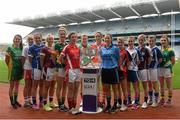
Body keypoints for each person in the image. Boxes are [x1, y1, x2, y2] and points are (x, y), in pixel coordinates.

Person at [60, 32, 82, 115]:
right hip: (71, 70)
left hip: (78, 70)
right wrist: (66, 66)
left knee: (76, 89)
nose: (74, 38)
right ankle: (70, 108)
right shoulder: (67, 47)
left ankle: (74, 107)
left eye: (75, 37)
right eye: (72, 37)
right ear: (69, 38)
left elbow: (80, 58)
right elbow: (60, 58)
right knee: (71, 89)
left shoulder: (78, 47)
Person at [100, 34, 120, 113]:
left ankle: (115, 105)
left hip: (113, 69)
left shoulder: (115, 48)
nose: (107, 39)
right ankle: (108, 105)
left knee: (115, 89)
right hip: (104, 69)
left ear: (111, 39)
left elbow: (118, 59)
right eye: (105, 38)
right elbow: (101, 58)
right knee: (107, 88)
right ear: (104, 40)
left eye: (108, 38)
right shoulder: (102, 49)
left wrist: (116, 67)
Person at [40, 34, 58, 111]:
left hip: (54, 69)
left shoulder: (54, 47)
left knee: (53, 86)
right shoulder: (44, 48)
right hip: (47, 69)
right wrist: (42, 69)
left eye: (52, 39)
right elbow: (41, 59)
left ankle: (51, 102)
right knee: (46, 86)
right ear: (47, 40)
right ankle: (45, 104)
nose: (51, 40)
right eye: (49, 39)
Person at [5, 34, 23, 109]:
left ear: (20, 40)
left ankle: (15, 101)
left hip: (19, 69)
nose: (17, 40)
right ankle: (12, 102)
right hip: (13, 70)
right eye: (16, 39)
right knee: (12, 86)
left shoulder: (21, 49)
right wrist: (10, 67)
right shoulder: (10, 48)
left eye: (18, 39)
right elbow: (6, 59)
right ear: (13, 40)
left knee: (17, 86)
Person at [28, 33, 44, 110]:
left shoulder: (44, 46)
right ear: (34, 39)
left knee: (42, 86)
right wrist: (34, 66)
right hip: (36, 68)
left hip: (43, 69)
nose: (38, 39)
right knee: (35, 86)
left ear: (41, 38)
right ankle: (34, 103)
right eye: (36, 38)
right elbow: (30, 59)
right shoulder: (31, 47)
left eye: (39, 38)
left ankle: (41, 101)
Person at [158, 35, 175, 106]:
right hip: (160, 69)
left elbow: (173, 61)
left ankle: (169, 100)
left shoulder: (170, 50)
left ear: (168, 41)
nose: (163, 41)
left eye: (164, 40)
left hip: (167, 69)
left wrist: (168, 67)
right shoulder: (159, 50)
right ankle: (162, 98)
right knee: (161, 85)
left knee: (169, 86)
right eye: (161, 40)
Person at [91, 32, 106, 108]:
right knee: (96, 84)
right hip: (95, 67)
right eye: (96, 36)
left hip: (104, 66)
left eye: (99, 36)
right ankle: (96, 100)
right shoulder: (92, 46)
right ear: (95, 37)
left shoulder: (105, 45)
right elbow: (91, 57)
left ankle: (103, 101)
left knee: (104, 84)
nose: (97, 37)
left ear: (101, 36)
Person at [55, 27, 68, 112]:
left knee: (65, 87)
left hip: (67, 68)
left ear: (66, 35)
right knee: (59, 86)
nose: (62, 35)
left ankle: (63, 104)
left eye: (64, 34)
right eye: (61, 34)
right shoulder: (56, 45)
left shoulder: (68, 44)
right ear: (59, 35)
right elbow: (55, 57)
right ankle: (60, 104)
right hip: (59, 68)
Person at [147, 35, 162, 107]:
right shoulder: (146, 49)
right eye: (150, 41)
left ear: (155, 41)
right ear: (148, 41)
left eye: (152, 41)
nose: (151, 42)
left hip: (154, 69)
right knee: (149, 84)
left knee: (155, 84)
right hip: (147, 69)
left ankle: (156, 100)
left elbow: (160, 59)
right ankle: (150, 98)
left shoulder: (157, 49)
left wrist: (155, 65)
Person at [137, 34, 151, 109]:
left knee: (145, 86)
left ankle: (145, 101)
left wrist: (147, 67)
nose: (140, 41)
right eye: (139, 40)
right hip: (137, 69)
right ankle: (137, 100)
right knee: (137, 86)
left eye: (142, 40)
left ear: (144, 40)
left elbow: (149, 59)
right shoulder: (137, 48)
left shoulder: (146, 49)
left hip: (144, 69)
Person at [117, 37, 131, 111]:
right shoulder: (116, 51)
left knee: (124, 89)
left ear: (123, 43)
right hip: (116, 71)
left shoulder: (126, 52)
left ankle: (125, 104)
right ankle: (119, 102)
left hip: (123, 72)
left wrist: (125, 69)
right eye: (118, 42)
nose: (119, 44)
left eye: (121, 42)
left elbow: (128, 62)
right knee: (118, 88)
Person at [126, 36, 140, 110]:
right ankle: (129, 100)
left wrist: (134, 66)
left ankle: (136, 102)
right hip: (127, 71)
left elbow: (139, 61)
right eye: (129, 41)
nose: (130, 43)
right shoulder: (126, 50)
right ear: (127, 42)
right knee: (128, 87)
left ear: (134, 42)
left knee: (135, 87)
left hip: (133, 70)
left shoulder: (136, 50)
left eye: (131, 41)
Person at [22, 35, 34, 108]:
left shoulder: (34, 47)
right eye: (29, 39)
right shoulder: (26, 48)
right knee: (27, 85)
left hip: (33, 69)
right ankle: (26, 101)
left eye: (31, 39)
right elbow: (23, 58)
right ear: (27, 40)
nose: (30, 40)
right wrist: (23, 67)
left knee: (31, 85)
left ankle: (29, 100)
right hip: (27, 68)